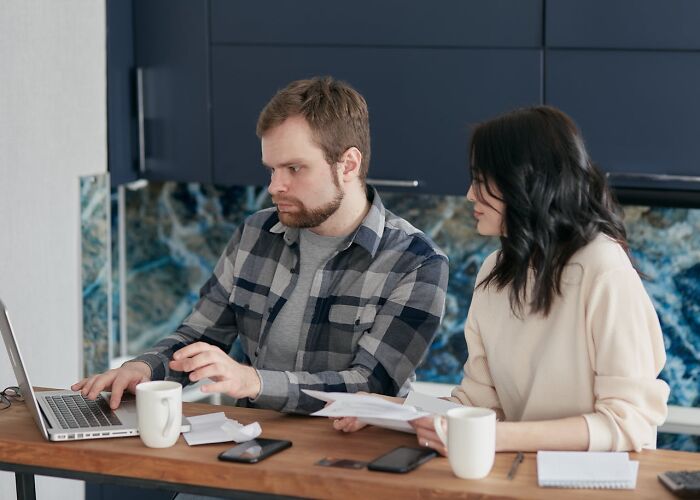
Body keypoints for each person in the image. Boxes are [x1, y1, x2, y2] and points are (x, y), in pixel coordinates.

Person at [72, 76, 449, 414]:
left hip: (346, 457)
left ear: (348, 165)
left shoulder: (416, 262)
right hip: (253, 442)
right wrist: (142, 368)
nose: (274, 186)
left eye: (294, 169)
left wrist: (253, 382)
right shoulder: (256, 233)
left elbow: (371, 386)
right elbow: (200, 335)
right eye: (271, 169)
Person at [334, 105, 669, 453]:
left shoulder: (603, 266)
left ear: (526, 181)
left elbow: (629, 421)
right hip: (523, 477)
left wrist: (494, 438)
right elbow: (479, 405)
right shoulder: (495, 271)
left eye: (481, 180)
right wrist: (387, 410)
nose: (469, 195)